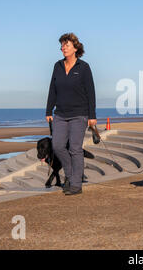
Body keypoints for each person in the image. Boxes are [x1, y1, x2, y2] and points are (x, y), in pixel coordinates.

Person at [45, 33, 97, 195]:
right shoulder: (57, 66)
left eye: (66, 45)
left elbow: (91, 93)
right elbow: (52, 89)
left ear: (75, 47)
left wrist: (92, 116)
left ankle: (76, 185)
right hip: (60, 113)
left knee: (75, 148)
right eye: (62, 45)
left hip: (79, 114)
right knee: (58, 146)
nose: (63, 48)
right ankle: (70, 175)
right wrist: (48, 110)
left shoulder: (84, 67)